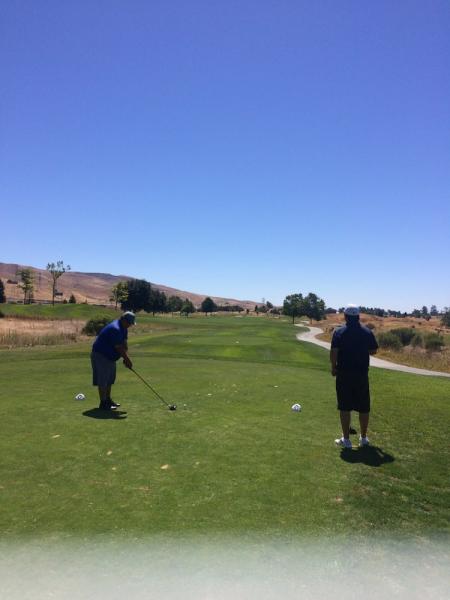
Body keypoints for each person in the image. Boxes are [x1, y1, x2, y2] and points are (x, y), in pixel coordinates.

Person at [330, 305, 378, 449]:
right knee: (364, 407)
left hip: (344, 374)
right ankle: (363, 439)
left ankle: (346, 440)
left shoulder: (339, 332)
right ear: (358, 317)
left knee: (345, 407)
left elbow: (334, 352)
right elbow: (374, 350)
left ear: (345, 316)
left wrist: (333, 367)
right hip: (362, 374)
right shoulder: (366, 331)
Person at [91, 311, 136, 410]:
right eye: (129, 323)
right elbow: (119, 347)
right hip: (101, 355)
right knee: (103, 380)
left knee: (110, 379)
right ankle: (103, 403)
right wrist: (127, 359)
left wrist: (126, 357)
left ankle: (108, 400)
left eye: (131, 324)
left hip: (110, 357)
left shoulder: (124, 328)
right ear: (123, 319)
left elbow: (124, 343)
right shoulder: (115, 329)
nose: (130, 325)